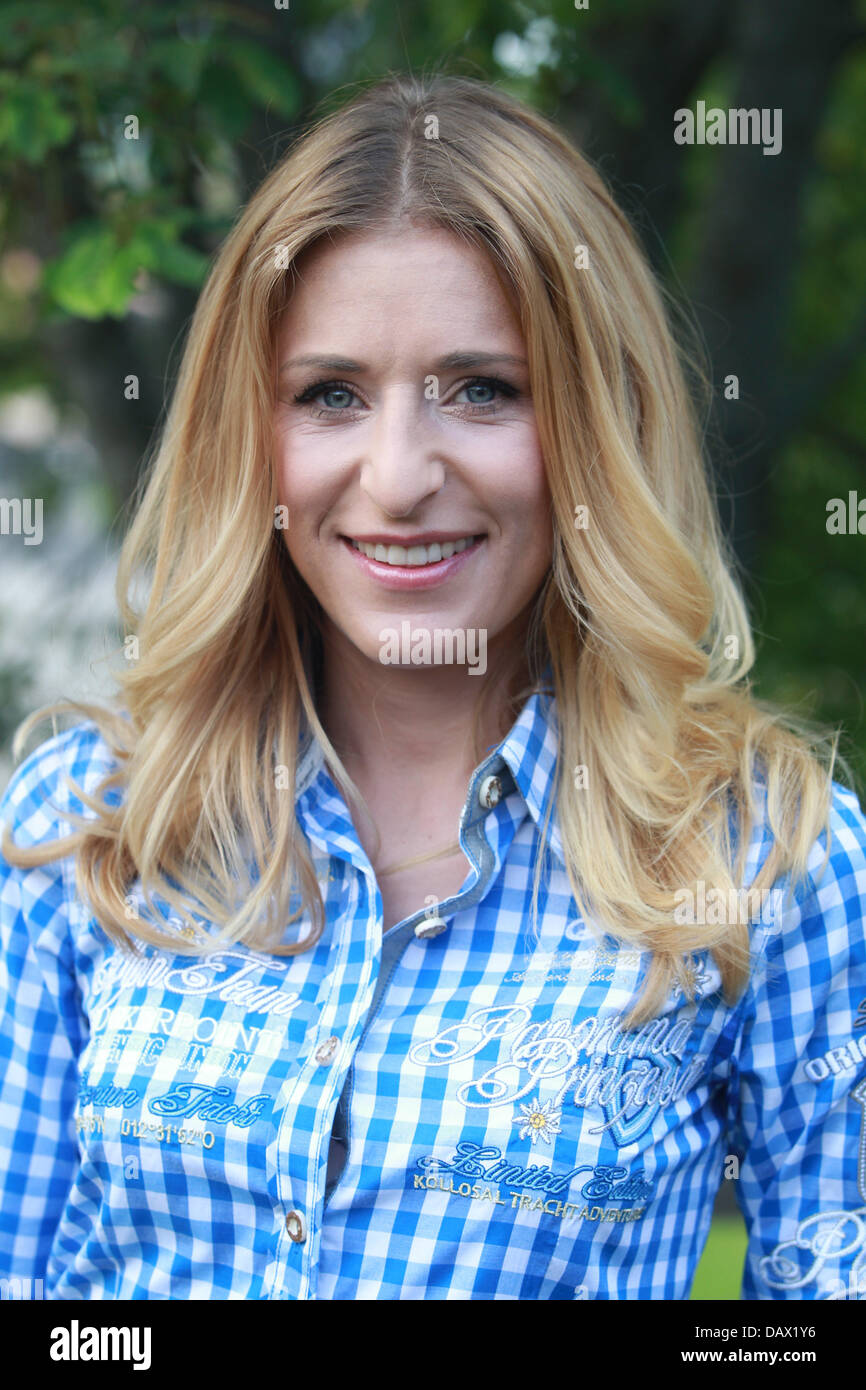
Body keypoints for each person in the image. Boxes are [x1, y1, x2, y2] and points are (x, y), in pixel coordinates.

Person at [1, 70, 865, 1303]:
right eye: (330, 395)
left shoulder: (769, 859)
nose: (398, 475)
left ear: (595, 423)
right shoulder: (86, 820)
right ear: (250, 435)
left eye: (482, 389)